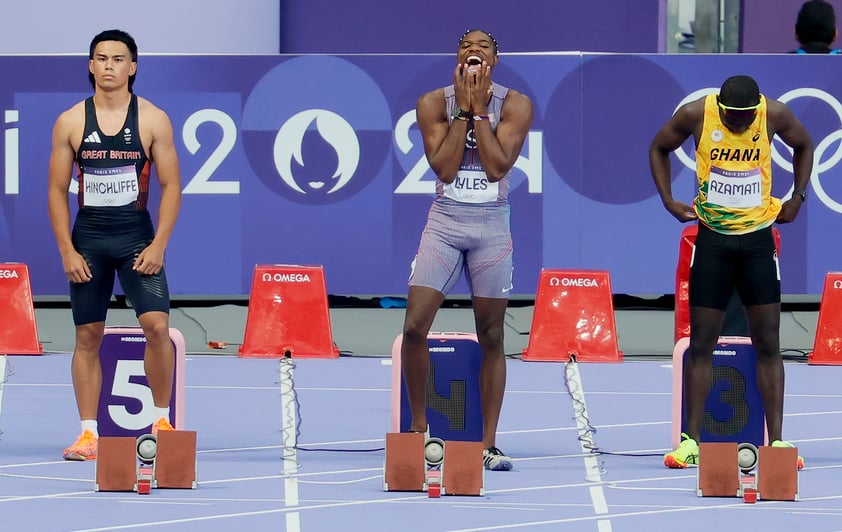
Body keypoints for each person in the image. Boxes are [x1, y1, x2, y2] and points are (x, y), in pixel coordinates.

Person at [649, 75, 813, 469]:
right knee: (703, 341)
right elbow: (658, 148)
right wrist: (668, 200)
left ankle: (777, 443)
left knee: (768, 341)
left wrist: (798, 197)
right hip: (713, 241)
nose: (739, 124)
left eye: (745, 118)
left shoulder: (772, 113)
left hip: (758, 241)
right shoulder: (695, 114)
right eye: (732, 118)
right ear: (720, 108)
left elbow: (805, 145)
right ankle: (691, 441)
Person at [400, 29, 533, 472]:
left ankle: (488, 443)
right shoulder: (432, 103)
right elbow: (444, 166)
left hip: (492, 227)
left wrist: (479, 111)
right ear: (456, 57)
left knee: (492, 336)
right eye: (464, 45)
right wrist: (463, 108)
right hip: (445, 222)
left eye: (483, 46)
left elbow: (496, 168)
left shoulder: (516, 104)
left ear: (496, 59)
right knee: (415, 326)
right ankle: (419, 431)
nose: (473, 49)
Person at [47, 29, 182, 461]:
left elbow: (172, 185)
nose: (109, 66)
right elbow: (54, 191)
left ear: (133, 67)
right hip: (89, 239)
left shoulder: (152, 119)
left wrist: (159, 244)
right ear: (91, 66)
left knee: (158, 328)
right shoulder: (70, 121)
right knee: (87, 335)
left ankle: (161, 421)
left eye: (118, 59)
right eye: (101, 58)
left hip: (136, 238)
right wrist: (67, 251)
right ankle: (89, 434)